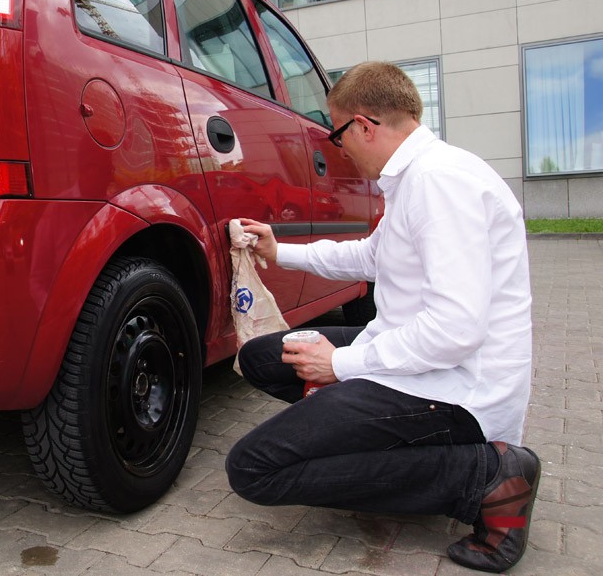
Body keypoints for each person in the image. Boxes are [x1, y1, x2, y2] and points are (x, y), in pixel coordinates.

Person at [226, 61, 538, 573]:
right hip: (411, 353)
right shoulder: (416, 178)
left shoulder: (441, 183)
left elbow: (456, 330)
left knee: (253, 469)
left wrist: (344, 365)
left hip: (454, 389)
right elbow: (369, 258)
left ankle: (484, 476)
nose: (337, 148)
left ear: (364, 125)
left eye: (337, 133)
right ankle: (362, 434)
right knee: (265, 355)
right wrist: (280, 252)